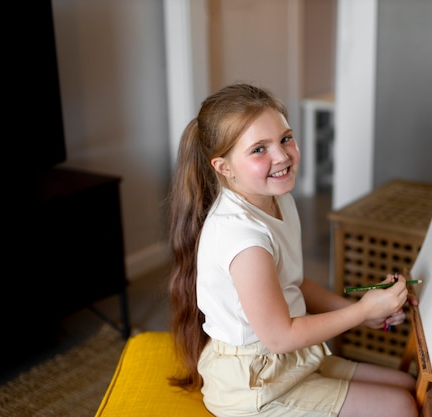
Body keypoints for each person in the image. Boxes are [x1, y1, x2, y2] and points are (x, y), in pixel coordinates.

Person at [167, 82, 418, 417]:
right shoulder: (243, 239)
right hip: (254, 384)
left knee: (405, 387)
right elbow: (280, 337)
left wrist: (364, 311)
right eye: (259, 149)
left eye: (285, 138)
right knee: (400, 407)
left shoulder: (278, 200)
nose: (282, 156)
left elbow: (294, 284)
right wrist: (361, 313)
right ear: (223, 167)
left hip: (288, 360)